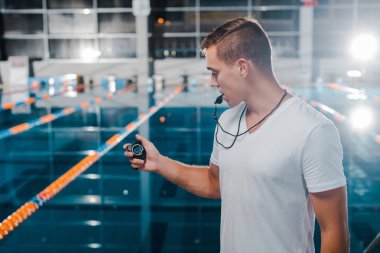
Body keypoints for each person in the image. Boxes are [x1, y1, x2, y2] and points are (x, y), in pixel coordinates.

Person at [124, 17, 349, 252]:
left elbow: (334, 230)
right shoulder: (227, 120)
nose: (212, 83)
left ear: (242, 67)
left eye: (215, 72)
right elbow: (215, 183)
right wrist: (159, 163)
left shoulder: (312, 130)